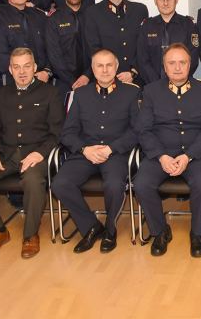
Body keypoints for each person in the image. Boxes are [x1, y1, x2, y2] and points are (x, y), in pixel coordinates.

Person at [0, 48, 64, 259]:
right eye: (16, 67)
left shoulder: (50, 93)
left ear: (35, 67)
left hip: (37, 155)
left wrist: (40, 154)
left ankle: (30, 235)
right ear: (10, 69)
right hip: (5, 155)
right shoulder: (1, 95)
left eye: (27, 66)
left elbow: (57, 133)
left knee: (33, 181)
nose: (22, 72)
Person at [52, 49, 140, 253]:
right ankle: (91, 226)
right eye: (99, 66)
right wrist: (84, 149)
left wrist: (111, 148)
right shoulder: (81, 94)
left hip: (115, 153)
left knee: (114, 184)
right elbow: (68, 132)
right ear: (92, 69)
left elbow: (137, 131)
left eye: (109, 65)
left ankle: (110, 229)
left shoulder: (132, 93)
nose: (105, 70)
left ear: (117, 68)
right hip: (86, 152)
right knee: (60, 183)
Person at [134, 44, 201, 258]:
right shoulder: (151, 91)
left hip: (194, 154)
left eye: (183, 62)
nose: (178, 67)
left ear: (190, 65)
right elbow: (143, 130)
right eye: (172, 63)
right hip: (160, 154)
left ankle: (197, 233)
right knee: (141, 184)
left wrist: (188, 155)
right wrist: (161, 156)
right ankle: (160, 231)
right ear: (164, 66)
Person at [82, 0, 148, 84]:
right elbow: (93, 49)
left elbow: (144, 46)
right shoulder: (93, 13)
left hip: (137, 79)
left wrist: (134, 72)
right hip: (107, 81)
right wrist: (110, 73)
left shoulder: (140, 10)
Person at [138, 0, 199, 85]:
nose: (165, 3)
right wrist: (157, 84)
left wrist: (177, 81)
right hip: (153, 86)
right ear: (155, 1)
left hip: (182, 86)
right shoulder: (147, 26)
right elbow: (142, 59)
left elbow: (193, 57)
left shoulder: (188, 25)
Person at [46, 0, 88, 97]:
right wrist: (73, 81)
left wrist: (87, 76)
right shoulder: (53, 19)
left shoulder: (92, 16)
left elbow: (97, 49)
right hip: (64, 83)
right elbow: (54, 56)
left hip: (91, 80)